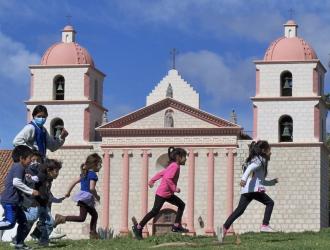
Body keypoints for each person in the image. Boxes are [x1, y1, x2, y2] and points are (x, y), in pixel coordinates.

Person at [220, 140, 278, 243]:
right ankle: (265, 225)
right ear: (264, 150)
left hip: (247, 190)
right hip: (254, 190)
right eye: (269, 150)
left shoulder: (254, 159)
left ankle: (223, 229)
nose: (271, 152)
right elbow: (250, 169)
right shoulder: (261, 160)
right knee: (270, 203)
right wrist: (243, 179)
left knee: (239, 210)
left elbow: (262, 181)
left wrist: (272, 183)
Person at [132, 147, 188, 240]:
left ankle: (176, 226)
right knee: (155, 211)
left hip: (167, 194)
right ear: (178, 157)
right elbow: (167, 178)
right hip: (163, 194)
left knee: (181, 205)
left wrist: (152, 180)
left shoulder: (172, 165)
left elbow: (162, 173)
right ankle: (138, 228)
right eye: (184, 156)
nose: (185, 159)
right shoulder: (175, 166)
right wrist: (175, 188)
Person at [54, 153, 102, 239]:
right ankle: (62, 218)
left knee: (94, 215)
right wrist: (97, 196)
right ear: (94, 165)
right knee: (82, 218)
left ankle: (93, 233)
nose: (100, 166)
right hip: (86, 199)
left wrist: (68, 192)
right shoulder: (93, 175)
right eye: (99, 164)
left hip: (83, 198)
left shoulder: (84, 174)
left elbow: (74, 181)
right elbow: (91, 188)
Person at [0, 145, 39, 250]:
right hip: (10, 201)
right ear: (22, 158)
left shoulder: (21, 168)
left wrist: (30, 178)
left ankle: (19, 244)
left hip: (16, 202)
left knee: (24, 223)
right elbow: (16, 182)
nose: (31, 161)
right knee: (9, 223)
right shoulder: (18, 166)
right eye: (30, 158)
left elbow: (21, 181)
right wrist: (31, 191)